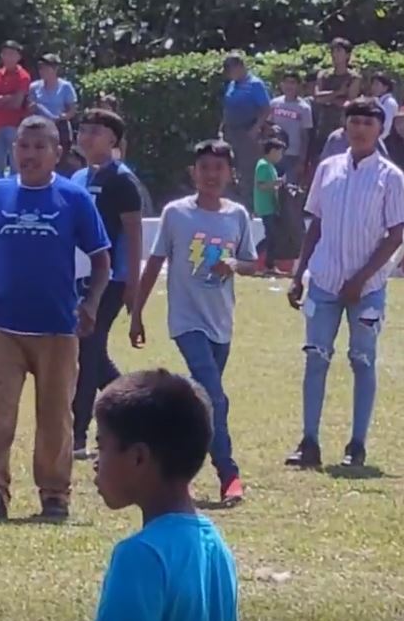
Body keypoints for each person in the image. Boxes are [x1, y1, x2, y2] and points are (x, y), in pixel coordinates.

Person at [0, 115, 110, 521]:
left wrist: (91, 304)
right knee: (0, 410)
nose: (29, 155)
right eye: (23, 147)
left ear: (56, 154)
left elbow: (102, 260)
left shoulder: (73, 199)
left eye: (39, 147)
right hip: (3, 325)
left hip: (58, 327)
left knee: (54, 415)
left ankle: (54, 495)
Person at [86, 370, 238, 621]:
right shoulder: (216, 547)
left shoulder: (140, 556)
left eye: (102, 446)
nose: (96, 463)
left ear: (138, 458)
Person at [130, 139, 257, 505]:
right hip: (187, 321)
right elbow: (154, 262)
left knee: (200, 402)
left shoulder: (237, 216)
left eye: (219, 168)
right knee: (215, 397)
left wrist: (234, 265)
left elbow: (251, 262)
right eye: (204, 168)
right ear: (193, 173)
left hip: (222, 322)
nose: (211, 175)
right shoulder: (175, 213)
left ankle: (173, 465)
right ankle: (229, 475)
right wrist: (137, 312)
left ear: (230, 174)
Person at [286, 97, 404, 470]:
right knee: (315, 358)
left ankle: (357, 443)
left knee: (362, 360)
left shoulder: (391, 177)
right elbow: (316, 223)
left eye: (368, 123)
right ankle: (309, 441)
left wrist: (362, 278)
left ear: (379, 128)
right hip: (324, 278)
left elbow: (396, 234)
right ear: (345, 126)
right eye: (354, 121)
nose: (360, 129)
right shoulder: (328, 169)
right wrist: (298, 273)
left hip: (367, 287)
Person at [69, 109, 142, 459]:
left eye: (94, 131)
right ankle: (133, 409)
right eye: (82, 130)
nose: (85, 136)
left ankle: (78, 434)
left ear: (112, 139)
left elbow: (133, 233)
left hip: (111, 278)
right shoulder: (79, 177)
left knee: (88, 349)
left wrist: (133, 283)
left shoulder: (122, 179)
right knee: (91, 351)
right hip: (79, 275)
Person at [218, 53, 271, 202]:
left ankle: (249, 204)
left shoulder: (255, 84)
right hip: (231, 132)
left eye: (231, 68)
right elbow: (227, 107)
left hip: (247, 132)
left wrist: (255, 129)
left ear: (240, 67)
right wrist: (222, 127)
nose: (229, 72)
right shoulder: (232, 85)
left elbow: (266, 109)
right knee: (229, 168)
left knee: (247, 170)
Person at [311, 37, 362, 164]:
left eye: (339, 51)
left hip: (341, 126)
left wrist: (328, 99)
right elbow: (317, 97)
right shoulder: (323, 75)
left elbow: (349, 104)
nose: (335, 55)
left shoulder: (353, 78)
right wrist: (338, 93)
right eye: (333, 51)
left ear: (347, 55)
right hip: (322, 125)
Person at [0, 41, 32, 178]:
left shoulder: (24, 76)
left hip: (15, 125)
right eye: (5, 54)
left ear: (18, 57)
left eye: (12, 54)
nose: (8, 57)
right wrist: (8, 97)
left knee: (15, 165)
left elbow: (17, 103)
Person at [268, 71, 313, 184]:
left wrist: (302, 160)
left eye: (292, 83)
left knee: (289, 188)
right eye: (286, 82)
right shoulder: (274, 103)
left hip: (293, 154)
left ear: (298, 85)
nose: (289, 86)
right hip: (274, 152)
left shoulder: (304, 108)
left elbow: (305, 136)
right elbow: (268, 126)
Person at [30, 53, 77, 155]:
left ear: (55, 69)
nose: (42, 71)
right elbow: (30, 107)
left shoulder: (65, 87)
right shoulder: (34, 87)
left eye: (46, 68)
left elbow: (72, 110)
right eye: (41, 68)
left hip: (59, 126)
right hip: (40, 127)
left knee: (61, 157)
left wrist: (63, 116)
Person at [254, 138, 287, 274]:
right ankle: (259, 263)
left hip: (271, 206)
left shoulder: (271, 166)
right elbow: (260, 185)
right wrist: (276, 183)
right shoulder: (263, 165)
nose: (281, 156)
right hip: (265, 206)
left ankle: (269, 265)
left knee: (273, 237)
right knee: (271, 237)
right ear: (272, 151)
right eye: (279, 152)